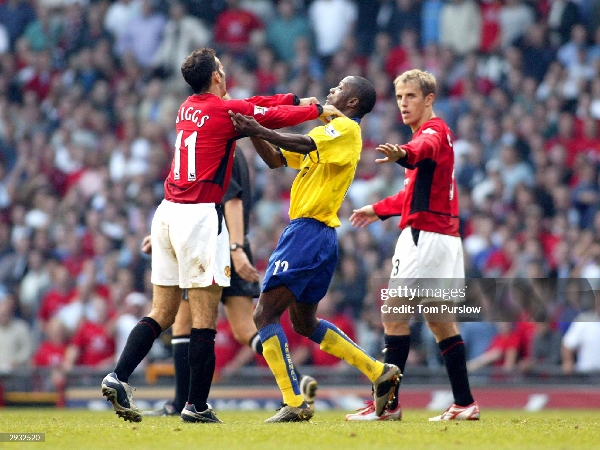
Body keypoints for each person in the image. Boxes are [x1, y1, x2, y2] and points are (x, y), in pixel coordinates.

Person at [101, 47, 340, 424]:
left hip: (165, 213)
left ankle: (118, 376)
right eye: (222, 69)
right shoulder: (224, 112)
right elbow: (267, 115)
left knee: (161, 312)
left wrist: (296, 98)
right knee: (204, 319)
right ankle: (196, 406)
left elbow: (255, 104)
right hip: (198, 218)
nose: (226, 73)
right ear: (216, 76)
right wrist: (316, 110)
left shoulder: (188, 107)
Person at [229, 75, 400, 423]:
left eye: (340, 87)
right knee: (304, 323)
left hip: (307, 233)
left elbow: (304, 144)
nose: (332, 90)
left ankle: (294, 400)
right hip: (320, 236)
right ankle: (378, 371)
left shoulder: (346, 130)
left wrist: (258, 127)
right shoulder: (329, 136)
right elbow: (277, 158)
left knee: (263, 315)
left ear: (353, 102)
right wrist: (253, 130)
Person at [142, 151, 318, 417]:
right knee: (245, 328)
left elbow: (219, 200)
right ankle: (296, 378)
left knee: (183, 323)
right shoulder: (238, 155)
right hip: (235, 242)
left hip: (208, 242)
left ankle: (179, 402)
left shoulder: (217, 150)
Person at [349, 69, 479, 421]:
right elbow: (411, 194)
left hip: (425, 237)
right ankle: (465, 403)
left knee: (393, 314)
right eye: (400, 97)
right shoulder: (433, 135)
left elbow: (418, 151)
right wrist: (378, 209)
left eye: (411, 96)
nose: (404, 104)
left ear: (429, 99)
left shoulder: (433, 132)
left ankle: (387, 405)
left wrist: (403, 154)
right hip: (442, 237)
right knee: (440, 321)